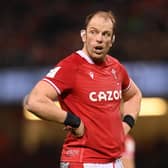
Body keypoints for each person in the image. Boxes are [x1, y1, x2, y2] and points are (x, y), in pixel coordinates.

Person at [24, 10, 142, 168]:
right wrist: (73, 121)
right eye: (94, 32)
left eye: (105, 34)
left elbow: (134, 95)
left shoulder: (116, 67)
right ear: (84, 35)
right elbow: (34, 101)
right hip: (82, 160)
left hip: (114, 161)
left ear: (112, 40)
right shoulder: (71, 66)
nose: (99, 39)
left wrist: (126, 124)